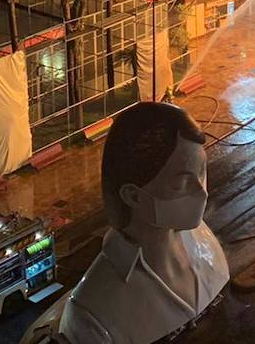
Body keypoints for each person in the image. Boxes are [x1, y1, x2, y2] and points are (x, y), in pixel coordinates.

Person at [28, 102, 229, 344]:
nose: (201, 192)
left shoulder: (205, 243)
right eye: (181, 183)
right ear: (133, 196)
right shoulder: (93, 315)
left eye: (202, 172)